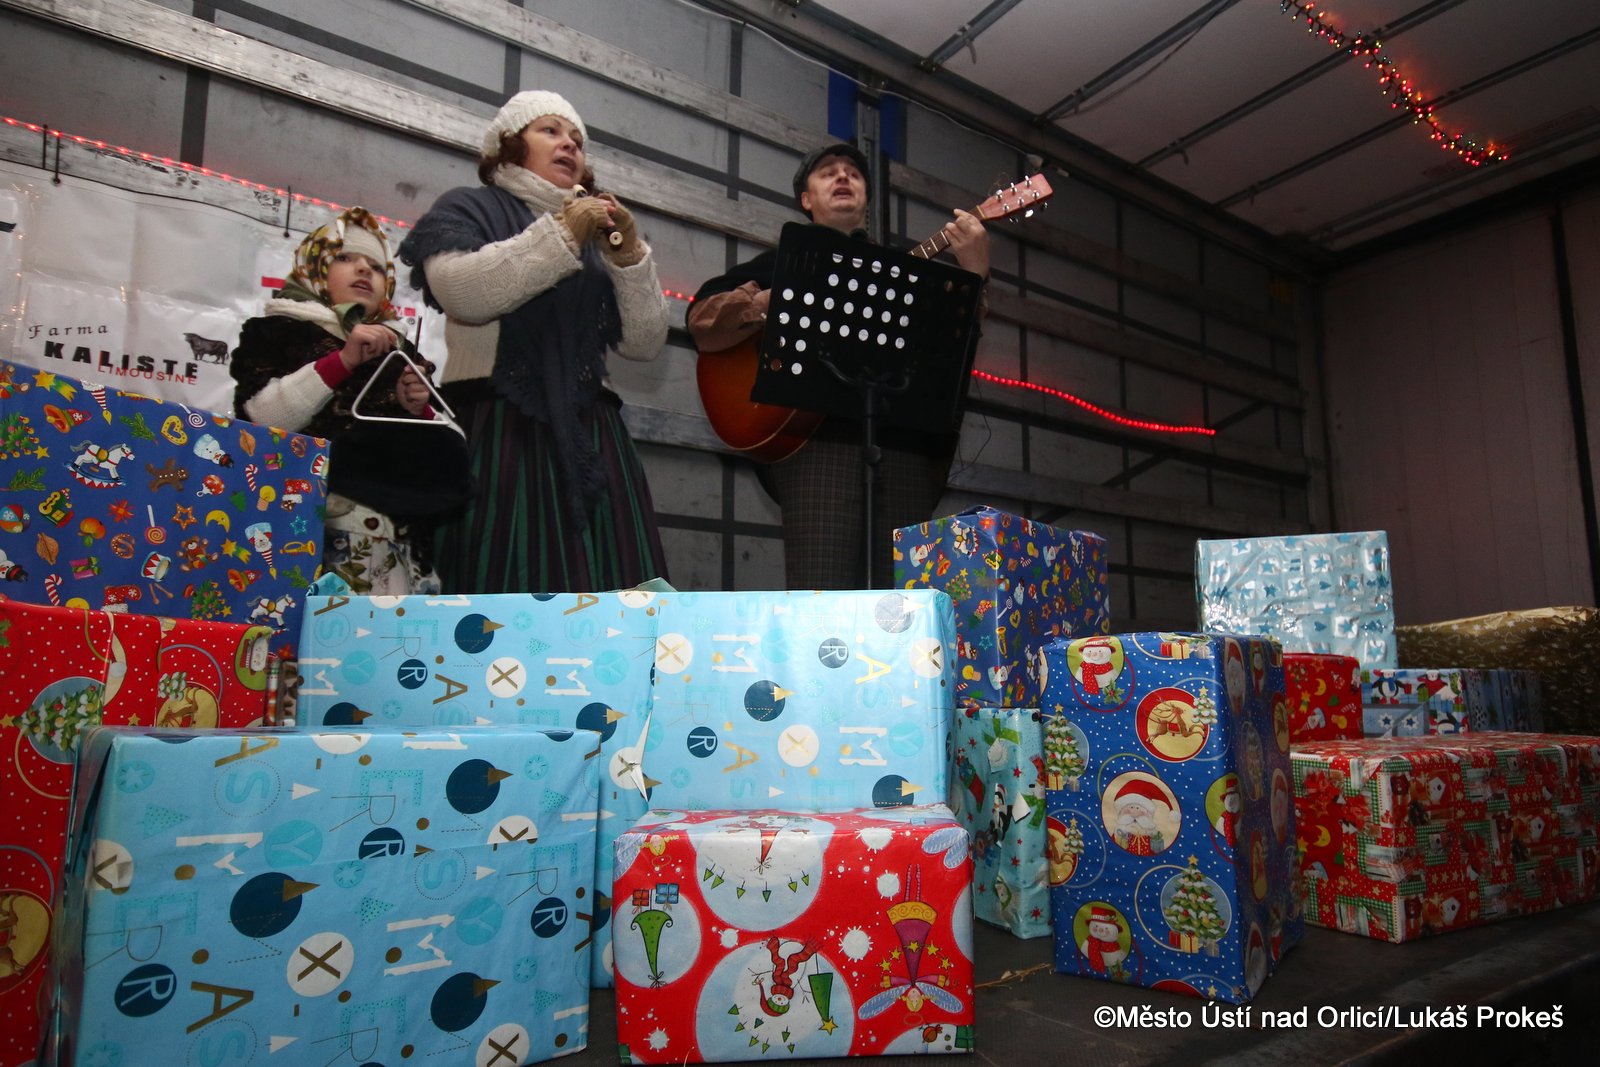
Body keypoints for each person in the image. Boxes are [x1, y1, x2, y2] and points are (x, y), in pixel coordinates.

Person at [395, 91, 670, 594]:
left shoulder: (599, 232)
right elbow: (463, 293)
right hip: (501, 429)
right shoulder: (467, 207)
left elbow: (645, 341)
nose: (570, 144)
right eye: (550, 130)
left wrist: (629, 256)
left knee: (613, 591)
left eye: (577, 140)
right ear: (509, 143)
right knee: (500, 586)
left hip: (593, 434)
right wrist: (563, 234)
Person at [688, 142, 989, 589]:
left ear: (867, 198)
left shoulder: (906, 272)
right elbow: (702, 321)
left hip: (904, 447)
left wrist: (975, 274)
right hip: (818, 449)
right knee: (822, 595)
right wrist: (772, 301)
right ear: (806, 199)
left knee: (901, 602)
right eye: (828, 172)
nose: (844, 176)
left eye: (854, 172)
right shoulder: (778, 263)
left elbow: (953, 347)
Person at [231, 206, 447, 595]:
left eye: (377, 267)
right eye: (346, 258)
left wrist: (421, 409)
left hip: (397, 547)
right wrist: (343, 361)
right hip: (302, 536)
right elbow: (262, 419)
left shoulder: (402, 353)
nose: (364, 270)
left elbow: (439, 463)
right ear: (314, 267)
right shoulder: (279, 332)